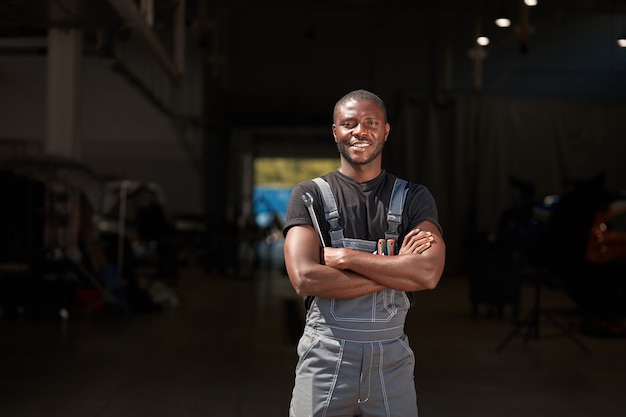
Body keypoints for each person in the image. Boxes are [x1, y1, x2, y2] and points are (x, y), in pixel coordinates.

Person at [282, 89, 446, 417]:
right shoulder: (309, 196)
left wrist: (347, 259)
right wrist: (398, 268)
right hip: (325, 357)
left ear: (386, 130)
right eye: (349, 123)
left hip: (391, 363)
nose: (360, 130)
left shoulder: (414, 197)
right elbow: (305, 278)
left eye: (371, 122)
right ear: (335, 132)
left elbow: (427, 274)